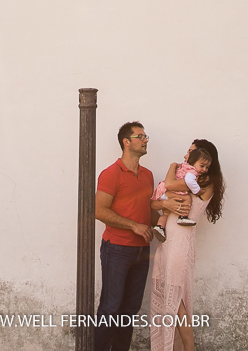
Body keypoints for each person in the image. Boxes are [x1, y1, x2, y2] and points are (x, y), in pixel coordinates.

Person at [94, 122, 190, 351]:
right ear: (126, 142)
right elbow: (99, 211)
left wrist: (166, 217)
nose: (145, 139)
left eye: (146, 136)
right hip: (116, 248)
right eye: (140, 136)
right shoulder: (111, 174)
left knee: (129, 310)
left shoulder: (147, 175)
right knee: (110, 307)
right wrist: (134, 226)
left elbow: (146, 208)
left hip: (142, 251)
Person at [149, 139, 226, 351]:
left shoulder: (202, 179)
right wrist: (166, 203)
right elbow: (154, 203)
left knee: (177, 300)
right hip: (168, 241)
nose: (186, 156)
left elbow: (170, 185)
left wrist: (172, 167)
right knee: (168, 295)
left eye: (191, 153)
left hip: (180, 243)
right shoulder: (190, 177)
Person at [151, 148, 213, 242]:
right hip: (167, 192)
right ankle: (183, 217)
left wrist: (173, 166)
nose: (204, 169)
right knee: (187, 197)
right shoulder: (192, 172)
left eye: (207, 167)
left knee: (166, 213)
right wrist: (197, 190)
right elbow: (185, 181)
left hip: (162, 192)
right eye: (202, 166)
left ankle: (160, 227)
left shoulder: (184, 168)